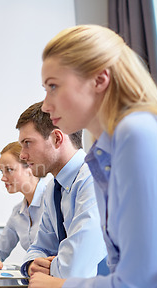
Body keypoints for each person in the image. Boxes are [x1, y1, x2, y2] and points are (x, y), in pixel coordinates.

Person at [28, 24, 157, 288]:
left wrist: (62, 285)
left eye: (53, 86)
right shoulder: (106, 148)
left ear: (100, 79)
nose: (45, 104)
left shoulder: (136, 133)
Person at [17, 102, 107, 279]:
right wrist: (31, 266)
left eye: (27, 143)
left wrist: (48, 270)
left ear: (57, 139)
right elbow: (39, 247)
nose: (22, 155)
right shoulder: (53, 188)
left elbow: (74, 269)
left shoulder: (94, 179)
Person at [0, 142, 47, 270]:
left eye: (9, 170)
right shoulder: (18, 211)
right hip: (35, 277)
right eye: (2, 171)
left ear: (30, 168)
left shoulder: (52, 200)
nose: (3, 178)